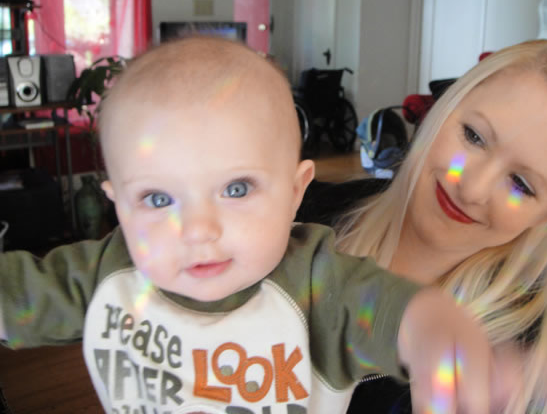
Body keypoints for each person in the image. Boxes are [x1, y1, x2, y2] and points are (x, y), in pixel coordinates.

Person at [0, 36, 495, 414]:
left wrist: (441, 337)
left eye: (236, 189)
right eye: (157, 199)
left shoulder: (317, 287)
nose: (198, 230)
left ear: (296, 192)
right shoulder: (105, 276)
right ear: (119, 207)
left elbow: (398, 313)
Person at [298, 39, 547, 413]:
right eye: (474, 136)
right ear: (443, 109)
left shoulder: (519, 364)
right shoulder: (299, 213)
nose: (471, 188)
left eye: (520, 184)